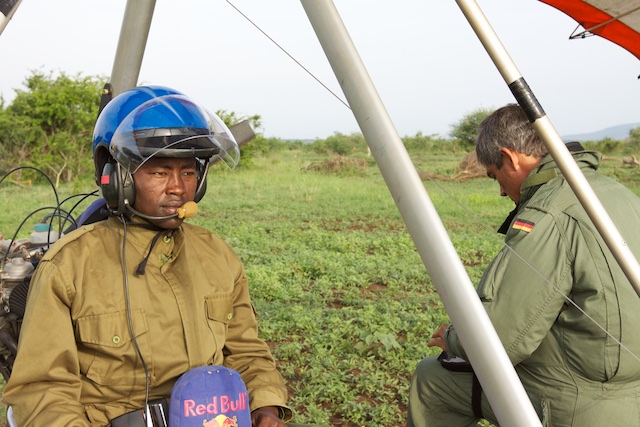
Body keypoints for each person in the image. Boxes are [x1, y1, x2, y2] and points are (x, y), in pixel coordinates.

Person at [3, 86, 293, 426]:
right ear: (118, 179)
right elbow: (42, 390)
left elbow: (247, 351)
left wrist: (265, 406)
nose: (178, 187)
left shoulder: (217, 256)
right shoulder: (69, 266)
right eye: (160, 172)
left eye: (188, 171)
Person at [407, 103, 640, 427]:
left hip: (579, 398)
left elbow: (501, 341)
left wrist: (453, 337)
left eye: (495, 176)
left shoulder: (548, 212)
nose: (502, 191)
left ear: (511, 157)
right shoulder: (618, 192)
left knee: (433, 380)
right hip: (630, 383)